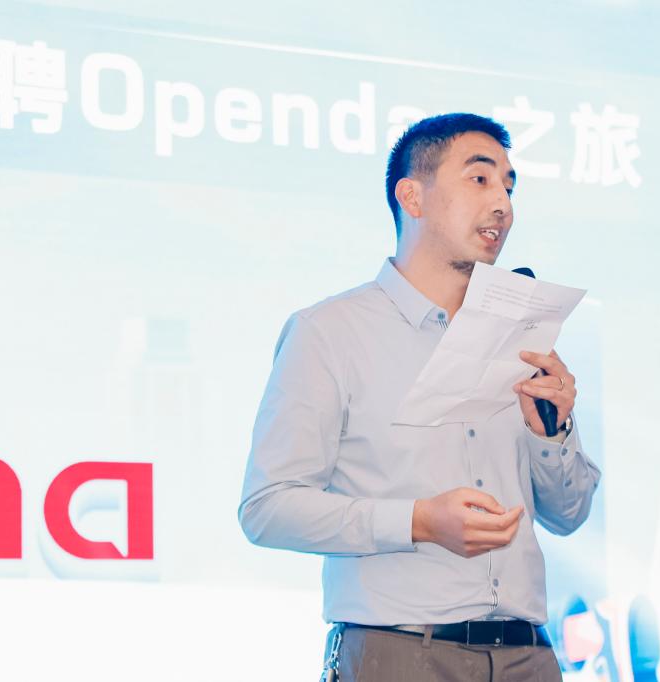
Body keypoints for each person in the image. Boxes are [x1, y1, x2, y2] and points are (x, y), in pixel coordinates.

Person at [239, 113, 602, 681]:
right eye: (480, 179)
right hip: (401, 652)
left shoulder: (523, 339)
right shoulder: (329, 332)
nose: (502, 204)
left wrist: (552, 432)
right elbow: (268, 508)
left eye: (509, 187)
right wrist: (418, 522)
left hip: (529, 656)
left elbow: (569, 515)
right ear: (412, 196)